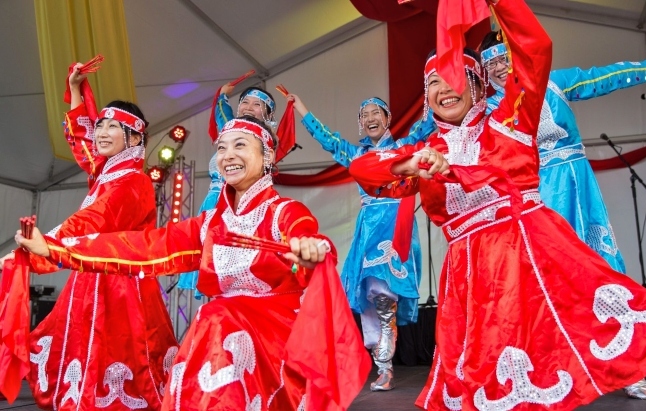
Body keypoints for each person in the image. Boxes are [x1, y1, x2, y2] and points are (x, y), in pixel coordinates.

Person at [347, 0, 646, 409]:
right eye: (434, 83)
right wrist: (415, 163)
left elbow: (536, 51)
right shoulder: (425, 148)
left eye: (455, 76)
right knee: (486, 385)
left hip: (535, 257)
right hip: (472, 284)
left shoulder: (509, 120)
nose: (444, 88)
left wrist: (499, 3)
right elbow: (365, 168)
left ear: (477, 85)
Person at [18, 116, 369, 411]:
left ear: (267, 156)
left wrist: (311, 249)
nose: (227, 155)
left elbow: (310, 240)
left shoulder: (284, 212)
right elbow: (142, 247)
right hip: (223, 331)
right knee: (211, 322)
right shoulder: (210, 224)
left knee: (216, 319)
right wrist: (53, 248)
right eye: (221, 148)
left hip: (276, 332)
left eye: (240, 145)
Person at [479, 31, 646, 400]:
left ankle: (629, 367)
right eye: (489, 63)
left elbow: (604, 76)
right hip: (535, 194)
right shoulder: (492, 110)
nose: (498, 67)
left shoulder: (553, 83)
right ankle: (551, 372)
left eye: (502, 57)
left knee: (603, 268)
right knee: (544, 280)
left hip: (576, 182)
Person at [5, 63, 179, 410]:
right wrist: (75, 91)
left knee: (120, 368)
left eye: (113, 126)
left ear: (134, 139)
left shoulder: (134, 181)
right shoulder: (107, 173)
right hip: (90, 281)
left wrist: (44, 245)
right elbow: (84, 142)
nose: (101, 131)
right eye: (100, 123)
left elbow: (95, 219)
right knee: (83, 365)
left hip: (121, 289)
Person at [286, 93, 429, 391]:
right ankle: (382, 365)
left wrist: (436, 83)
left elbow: (429, 122)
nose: (371, 118)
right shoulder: (356, 154)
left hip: (394, 225)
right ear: (360, 124)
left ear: (388, 119)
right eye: (365, 115)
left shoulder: (403, 147)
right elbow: (327, 139)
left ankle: (385, 368)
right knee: (368, 303)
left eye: (377, 112)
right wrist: (301, 107)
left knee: (383, 296)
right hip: (368, 230)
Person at [177, 85, 278, 297]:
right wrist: (221, 94)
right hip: (214, 203)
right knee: (210, 271)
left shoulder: (264, 142)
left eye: (257, 104)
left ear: (268, 113)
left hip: (242, 207)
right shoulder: (230, 131)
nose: (249, 107)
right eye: (244, 102)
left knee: (234, 274)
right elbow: (221, 113)